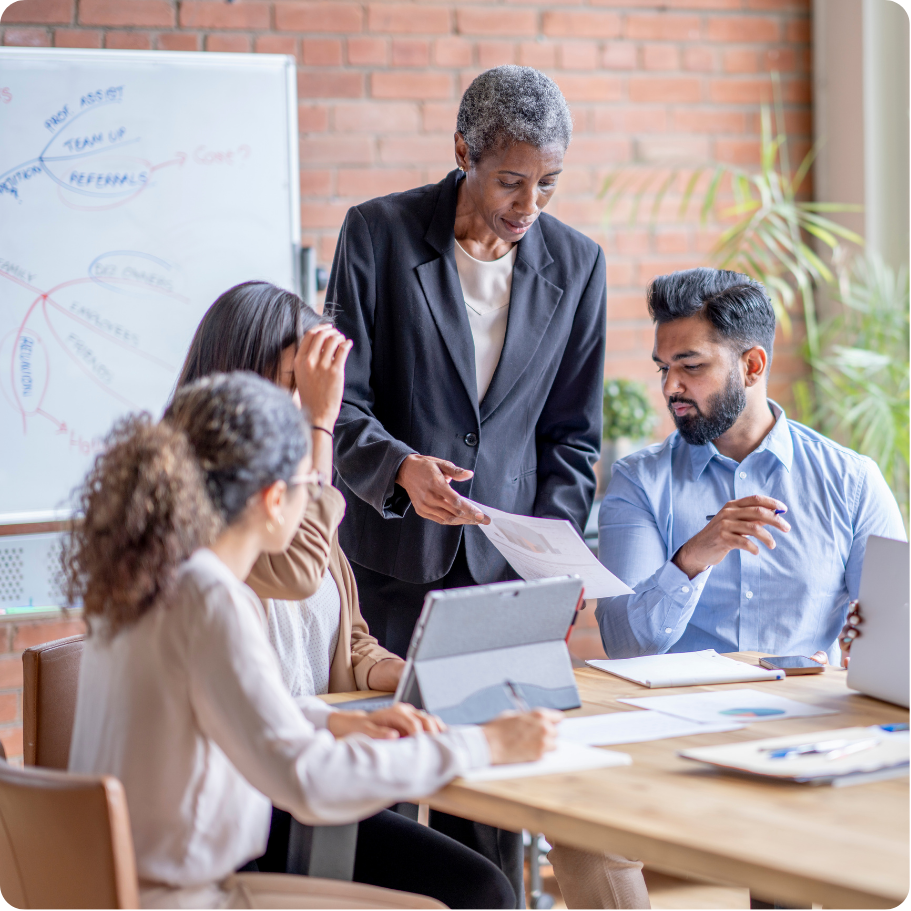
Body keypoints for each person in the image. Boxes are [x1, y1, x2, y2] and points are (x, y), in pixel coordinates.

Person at [66, 372, 560, 909]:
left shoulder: (152, 581)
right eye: (311, 486)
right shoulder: (208, 597)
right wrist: (484, 744)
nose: (327, 508)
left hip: (124, 889)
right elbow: (308, 780)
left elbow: (231, 707)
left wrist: (333, 719)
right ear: (275, 499)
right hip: (188, 899)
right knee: (476, 896)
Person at [329, 65, 607, 902]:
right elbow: (338, 404)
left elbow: (572, 438)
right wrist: (399, 469)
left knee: (485, 821)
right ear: (463, 152)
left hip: (502, 583)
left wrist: (546, 557)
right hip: (390, 567)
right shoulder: (376, 234)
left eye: (548, 185)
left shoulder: (578, 262)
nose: (529, 206)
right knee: (377, 797)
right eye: (511, 181)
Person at [596, 267, 906, 663]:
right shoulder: (638, 481)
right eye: (664, 367)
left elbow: (895, 633)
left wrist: (866, 649)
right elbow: (623, 644)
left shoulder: (853, 482)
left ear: (752, 366)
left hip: (807, 718)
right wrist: (692, 557)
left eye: (690, 366)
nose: (670, 387)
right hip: (685, 719)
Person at [176, 281, 405, 694]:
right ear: (242, 378)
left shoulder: (291, 478)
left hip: (314, 732)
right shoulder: (190, 495)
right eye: (294, 381)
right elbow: (298, 574)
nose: (303, 400)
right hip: (260, 746)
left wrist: (394, 672)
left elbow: (349, 637)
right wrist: (320, 422)